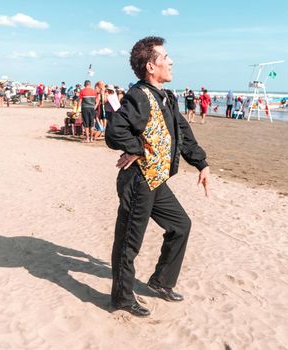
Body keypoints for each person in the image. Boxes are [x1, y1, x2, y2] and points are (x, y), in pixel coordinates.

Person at [105, 36, 210, 317]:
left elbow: (183, 132)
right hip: (137, 180)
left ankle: (161, 281)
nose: (171, 61)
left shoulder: (167, 97)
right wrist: (138, 149)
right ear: (151, 66)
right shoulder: (138, 96)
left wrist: (201, 163)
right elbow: (115, 130)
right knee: (129, 242)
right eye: (166, 58)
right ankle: (121, 298)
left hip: (156, 180)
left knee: (181, 225)